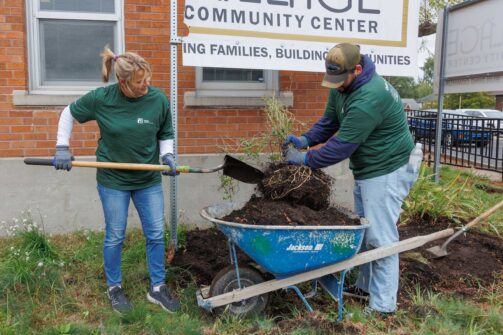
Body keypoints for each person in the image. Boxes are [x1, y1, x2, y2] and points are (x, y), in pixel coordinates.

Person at [283, 43, 420, 317]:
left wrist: (306, 160)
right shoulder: (343, 85)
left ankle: (383, 308)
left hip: (388, 169)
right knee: (366, 231)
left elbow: (342, 146)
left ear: (357, 69)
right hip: (370, 169)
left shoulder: (370, 97)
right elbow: (330, 121)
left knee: (381, 238)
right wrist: (306, 139)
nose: (336, 86)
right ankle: (365, 288)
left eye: (339, 80)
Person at [53, 46, 181, 314]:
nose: (146, 85)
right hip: (113, 181)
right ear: (122, 82)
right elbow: (69, 114)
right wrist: (62, 147)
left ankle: (157, 288)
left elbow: (165, 131)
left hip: (147, 179)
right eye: (139, 82)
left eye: (147, 79)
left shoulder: (157, 99)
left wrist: (167, 156)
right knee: (115, 235)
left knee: (156, 233)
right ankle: (114, 288)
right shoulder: (102, 98)